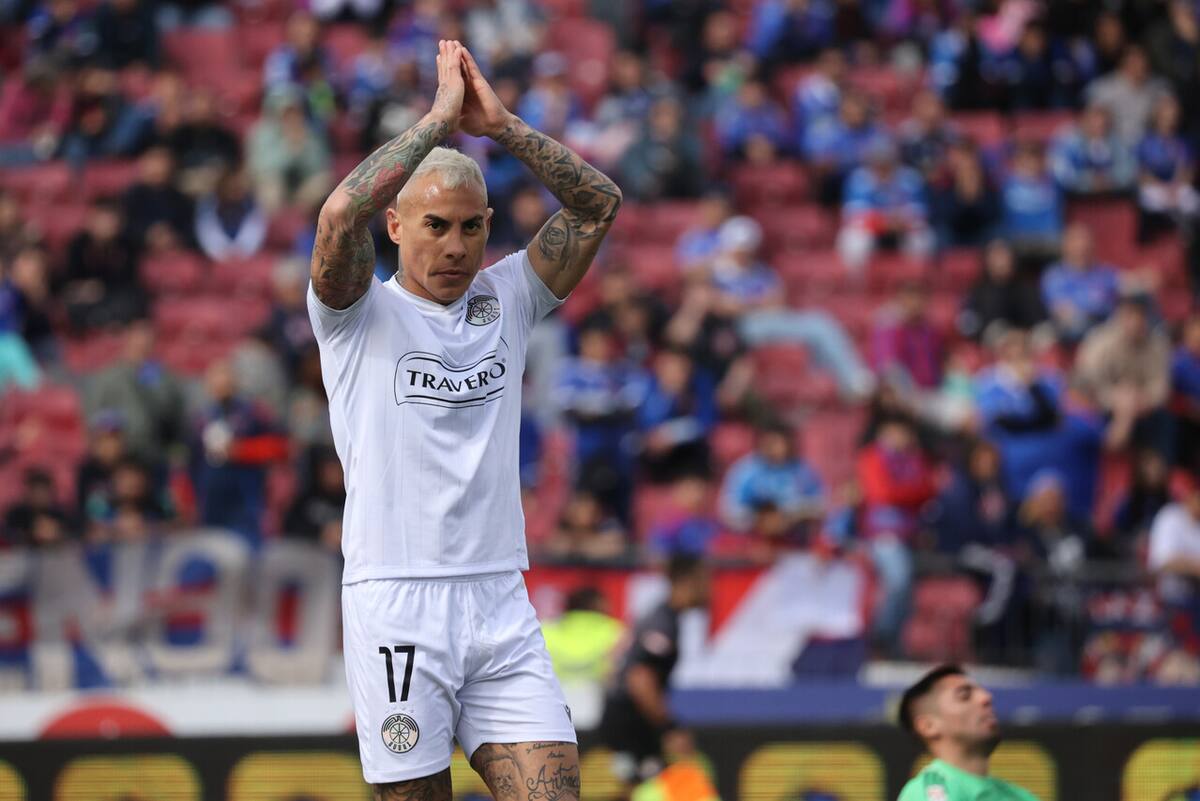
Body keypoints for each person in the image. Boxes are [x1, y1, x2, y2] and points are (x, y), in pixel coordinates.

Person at [307, 41, 620, 798]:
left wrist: (502, 126)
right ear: (396, 226)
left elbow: (598, 204)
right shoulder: (356, 312)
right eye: (435, 225)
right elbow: (340, 208)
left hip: (498, 598)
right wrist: (439, 120)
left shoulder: (507, 296)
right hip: (397, 601)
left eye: (471, 228)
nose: (454, 246)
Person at [599, 554, 710, 790]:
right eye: (705, 580)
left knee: (638, 788)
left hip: (626, 717)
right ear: (687, 581)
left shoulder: (662, 617)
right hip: (630, 721)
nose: (710, 589)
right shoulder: (663, 623)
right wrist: (669, 727)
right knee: (650, 788)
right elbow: (639, 678)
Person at [897, 664, 1039, 801]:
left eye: (981, 691)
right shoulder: (928, 792)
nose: (986, 697)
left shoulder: (1020, 796)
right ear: (928, 726)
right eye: (964, 695)